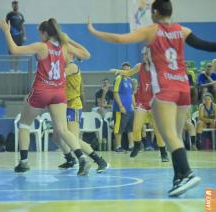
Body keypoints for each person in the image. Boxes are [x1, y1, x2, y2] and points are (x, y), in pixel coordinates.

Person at [88, 0, 216, 196]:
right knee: (176, 137)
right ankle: (178, 179)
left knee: (169, 136)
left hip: (165, 90)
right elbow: (207, 46)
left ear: (155, 12)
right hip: (184, 89)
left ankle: (188, 173)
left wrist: (94, 31)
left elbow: (120, 39)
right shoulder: (182, 30)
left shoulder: (152, 30)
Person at [0, 18, 91, 176]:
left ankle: (24, 162)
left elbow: (14, 50)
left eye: (40, 33)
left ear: (45, 33)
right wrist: (69, 40)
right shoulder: (64, 47)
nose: (39, 36)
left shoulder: (41, 47)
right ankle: (82, 158)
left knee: (24, 124)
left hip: (42, 91)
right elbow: (87, 55)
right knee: (62, 129)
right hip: (58, 92)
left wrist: (7, 31)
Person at [53, 35, 108, 173]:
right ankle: (69, 159)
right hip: (64, 105)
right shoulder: (65, 65)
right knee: (57, 135)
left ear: (71, 54)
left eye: (63, 52)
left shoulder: (71, 66)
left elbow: (54, 76)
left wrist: (69, 40)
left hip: (73, 105)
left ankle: (99, 160)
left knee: (73, 138)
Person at [118, 48, 169, 162]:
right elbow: (128, 73)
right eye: (144, 54)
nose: (144, 56)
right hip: (142, 101)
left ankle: (163, 152)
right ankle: (137, 145)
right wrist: (118, 71)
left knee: (157, 130)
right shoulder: (139, 66)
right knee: (136, 128)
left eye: (147, 54)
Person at [112, 70, 135, 153]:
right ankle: (118, 146)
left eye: (128, 69)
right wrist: (121, 106)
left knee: (130, 128)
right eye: (124, 68)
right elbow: (115, 93)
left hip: (130, 109)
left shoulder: (129, 80)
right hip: (120, 109)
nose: (126, 70)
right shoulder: (118, 79)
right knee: (119, 127)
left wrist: (134, 106)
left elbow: (131, 94)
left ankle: (131, 146)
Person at [6, 1, 26, 72]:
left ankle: (17, 69)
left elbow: (23, 26)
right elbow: (7, 25)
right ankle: (11, 68)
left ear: (18, 6)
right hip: (12, 37)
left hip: (19, 37)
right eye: (14, 5)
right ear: (12, 6)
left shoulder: (21, 15)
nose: (15, 6)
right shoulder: (9, 15)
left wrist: (24, 36)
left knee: (18, 52)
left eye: (16, 5)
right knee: (12, 52)